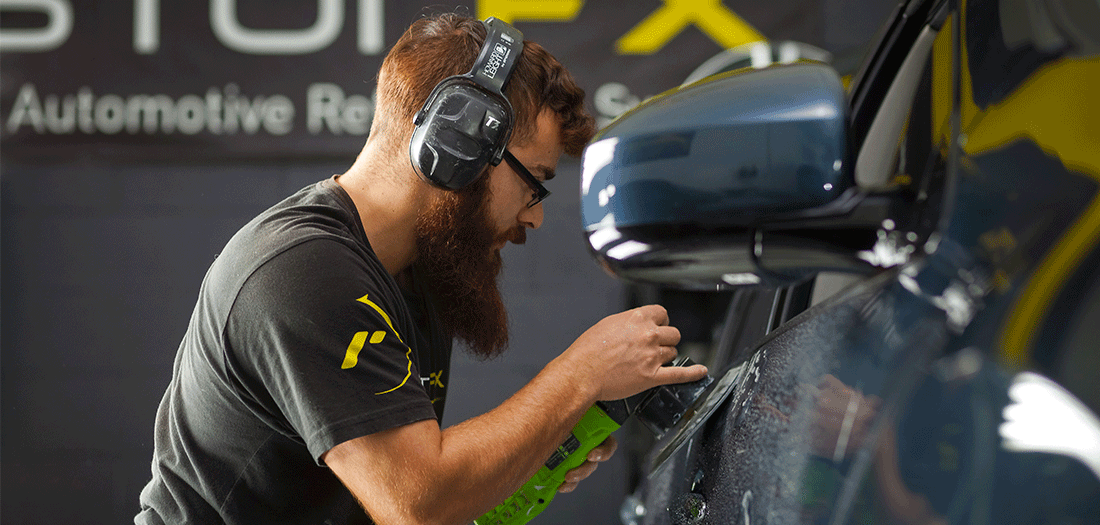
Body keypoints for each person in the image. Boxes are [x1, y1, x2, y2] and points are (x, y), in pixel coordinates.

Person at [135, 12, 707, 525]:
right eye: (534, 183)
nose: (533, 218)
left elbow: (402, 486)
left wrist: (536, 451)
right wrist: (583, 373)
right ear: (455, 143)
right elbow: (418, 505)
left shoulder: (416, 270)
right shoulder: (306, 272)